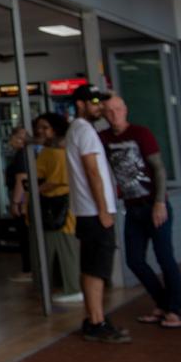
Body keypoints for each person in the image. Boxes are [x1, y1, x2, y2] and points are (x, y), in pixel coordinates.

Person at [100, 95, 181, 328]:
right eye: (108, 111)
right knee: (135, 260)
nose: (114, 114)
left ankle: (174, 310)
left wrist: (159, 203)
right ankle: (163, 304)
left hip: (154, 205)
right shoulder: (103, 138)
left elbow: (158, 168)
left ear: (125, 110)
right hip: (132, 209)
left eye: (117, 109)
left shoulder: (140, 133)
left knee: (165, 258)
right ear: (103, 114)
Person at [64, 85, 128, 343]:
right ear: (80, 104)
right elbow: (93, 172)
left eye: (100, 101)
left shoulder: (77, 130)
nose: (99, 106)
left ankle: (94, 317)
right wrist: (103, 210)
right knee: (96, 269)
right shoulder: (85, 131)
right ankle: (96, 321)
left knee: (91, 266)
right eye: (94, 102)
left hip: (86, 211)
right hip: (94, 212)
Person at [30, 113, 82, 303]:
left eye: (45, 127)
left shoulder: (52, 152)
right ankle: (68, 286)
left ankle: (70, 287)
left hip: (56, 204)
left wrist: (36, 189)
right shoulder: (58, 149)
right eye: (39, 127)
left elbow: (54, 179)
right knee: (64, 246)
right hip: (63, 204)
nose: (40, 131)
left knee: (60, 246)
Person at [4, 126, 34, 282]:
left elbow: (21, 180)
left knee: (25, 235)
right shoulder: (27, 154)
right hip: (26, 199)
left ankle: (28, 269)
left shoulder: (21, 155)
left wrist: (16, 202)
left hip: (23, 201)